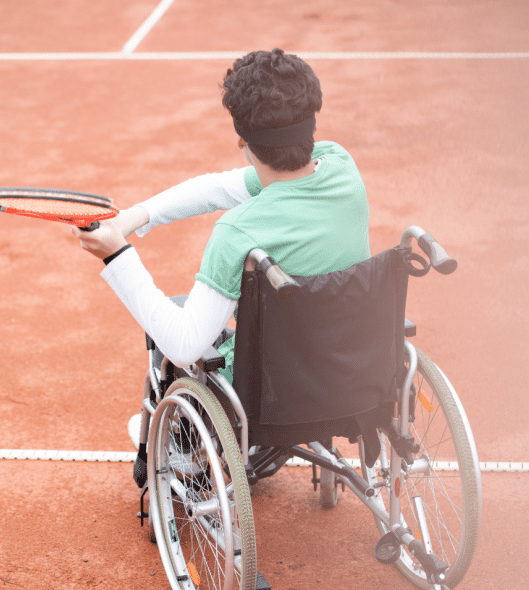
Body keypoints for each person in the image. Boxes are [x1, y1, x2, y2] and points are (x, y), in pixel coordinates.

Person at [71, 48, 371, 487]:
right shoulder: (341, 167)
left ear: (243, 143)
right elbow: (216, 188)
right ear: (311, 122)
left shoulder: (238, 233)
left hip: (269, 398)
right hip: (351, 370)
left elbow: (184, 345)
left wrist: (116, 254)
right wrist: (134, 218)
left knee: (176, 324)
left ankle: (193, 452)